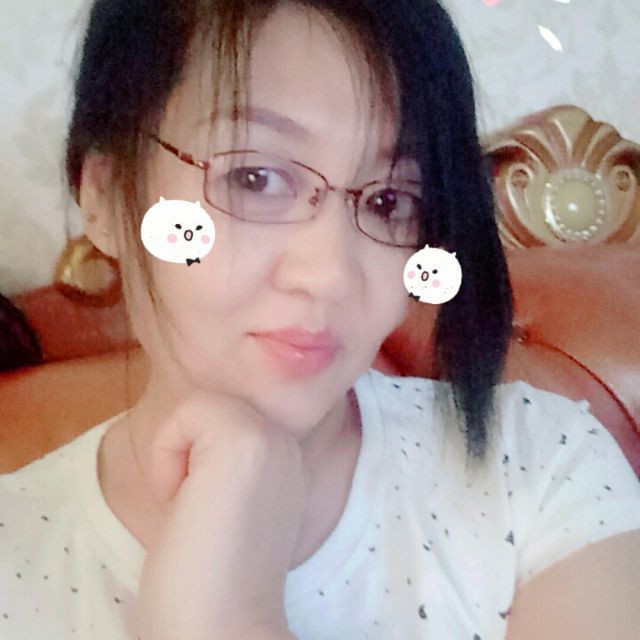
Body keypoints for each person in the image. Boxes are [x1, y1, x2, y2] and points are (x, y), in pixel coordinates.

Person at [0, 1, 638, 638]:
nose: (331, 273)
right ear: (105, 196)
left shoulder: (542, 464)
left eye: (389, 201)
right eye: (255, 177)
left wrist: (227, 616)